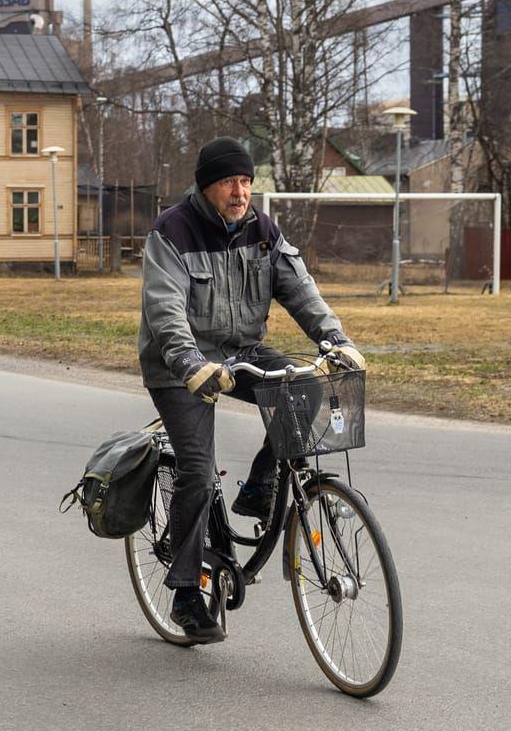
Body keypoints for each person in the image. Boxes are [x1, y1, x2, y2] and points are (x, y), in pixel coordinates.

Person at [138, 136, 365, 644]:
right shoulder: (171, 232)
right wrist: (190, 362)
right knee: (196, 469)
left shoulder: (262, 230)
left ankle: (260, 489)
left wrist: (336, 338)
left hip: (242, 353)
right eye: (228, 182)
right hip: (181, 366)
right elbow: (165, 311)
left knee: (306, 389)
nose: (240, 192)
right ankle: (185, 594)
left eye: (245, 182)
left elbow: (300, 289)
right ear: (205, 185)